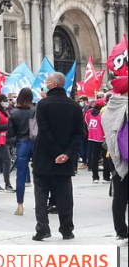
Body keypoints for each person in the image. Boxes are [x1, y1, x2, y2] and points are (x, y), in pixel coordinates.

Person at [32, 72, 87, 241]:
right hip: (66, 159)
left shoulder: (43, 104)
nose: (45, 84)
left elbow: (44, 131)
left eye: (47, 82)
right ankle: (67, 229)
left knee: (41, 193)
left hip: (44, 155)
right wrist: (67, 154)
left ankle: (42, 228)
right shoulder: (75, 106)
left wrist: (57, 153)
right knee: (65, 195)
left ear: (54, 84)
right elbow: (80, 133)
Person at [101, 76, 128, 246]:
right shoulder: (125, 106)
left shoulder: (109, 108)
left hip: (116, 156)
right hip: (126, 154)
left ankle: (121, 232)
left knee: (119, 195)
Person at [7, 87, 36, 216]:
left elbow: (10, 134)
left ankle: (20, 205)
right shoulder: (34, 111)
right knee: (39, 174)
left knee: (21, 175)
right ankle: (41, 202)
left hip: (21, 143)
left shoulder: (14, 113)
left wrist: (15, 143)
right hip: (34, 142)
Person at [85, 99, 111, 183]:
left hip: (92, 137)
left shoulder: (88, 114)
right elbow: (104, 126)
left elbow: (87, 124)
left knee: (94, 157)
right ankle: (106, 177)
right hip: (102, 138)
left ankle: (95, 177)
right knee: (105, 158)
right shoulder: (102, 115)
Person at [0, 94, 14, 192]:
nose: (6, 102)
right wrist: (8, 126)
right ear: (0, 101)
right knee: (7, 160)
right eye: (5, 100)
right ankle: (7, 183)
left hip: (5, 139)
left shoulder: (5, 111)